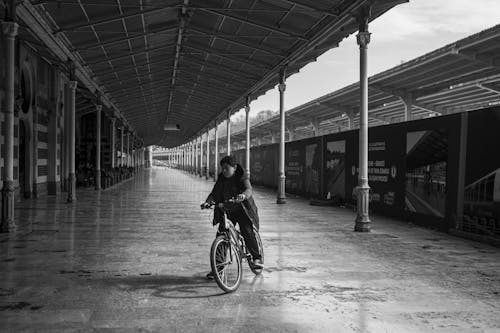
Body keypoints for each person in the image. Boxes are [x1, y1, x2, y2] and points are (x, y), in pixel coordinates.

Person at [201, 155, 263, 280]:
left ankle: (257, 258)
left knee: (247, 231)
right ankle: (218, 268)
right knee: (221, 235)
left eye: (226, 168)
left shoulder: (241, 176)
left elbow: (249, 189)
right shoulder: (221, 179)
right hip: (228, 210)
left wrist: (243, 196)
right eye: (222, 168)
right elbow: (214, 194)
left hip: (243, 210)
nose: (223, 171)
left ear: (234, 168)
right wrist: (208, 202)